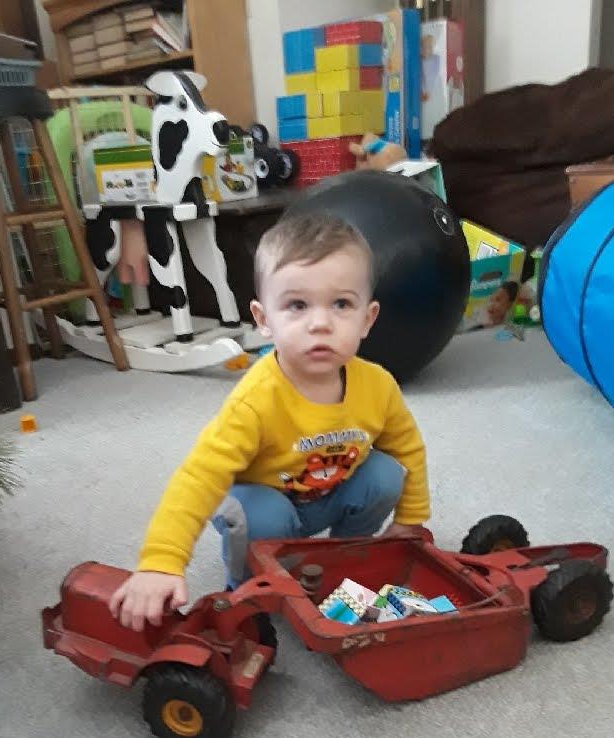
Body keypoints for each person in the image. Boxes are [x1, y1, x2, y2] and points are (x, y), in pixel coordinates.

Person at [110, 213, 430, 640]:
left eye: (341, 304)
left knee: (386, 472)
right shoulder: (255, 400)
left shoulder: (378, 385)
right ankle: (247, 581)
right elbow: (200, 475)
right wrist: (160, 561)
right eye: (297, 305)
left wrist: (410, 519)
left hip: (329, 492)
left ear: (367, 319)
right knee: (261, 513)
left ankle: (343, 557)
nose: (320, 323)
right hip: (263, 502)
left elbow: (408, 448)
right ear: (263, 319)